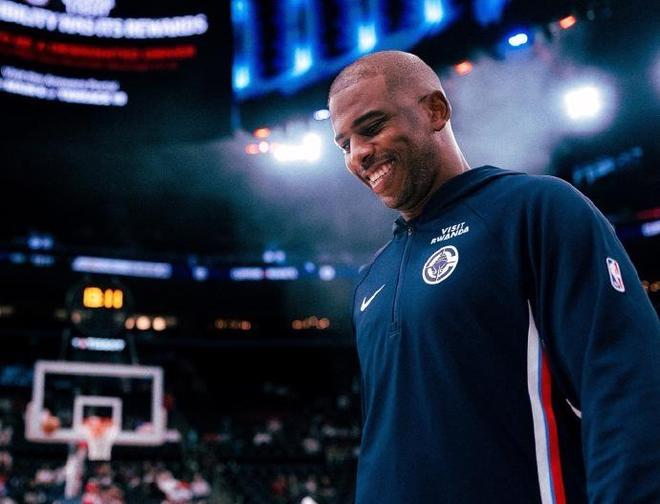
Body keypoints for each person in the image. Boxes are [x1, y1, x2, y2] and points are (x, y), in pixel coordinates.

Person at [328, 50, 660, 503]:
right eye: (344, 145)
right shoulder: (372, 280)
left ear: (435, 111)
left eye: (371, 128)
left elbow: (627, 388)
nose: (358, 155)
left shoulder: (535, 210)